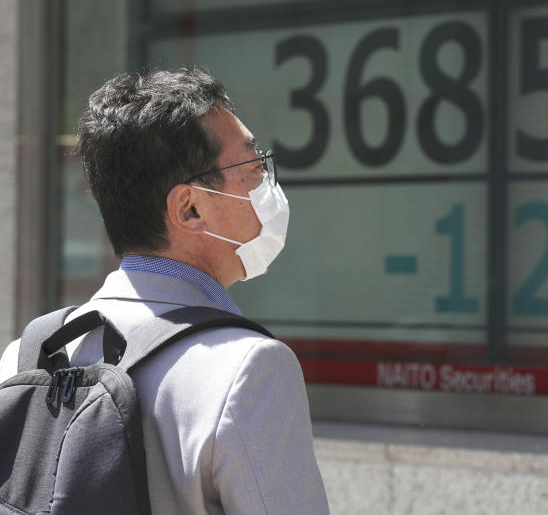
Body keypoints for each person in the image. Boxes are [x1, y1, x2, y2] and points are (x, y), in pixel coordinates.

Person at [0, 69, 330, 514]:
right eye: (253, 167)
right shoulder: (250, 368)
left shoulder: (27, 355)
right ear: (189, 208)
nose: (266, 184)